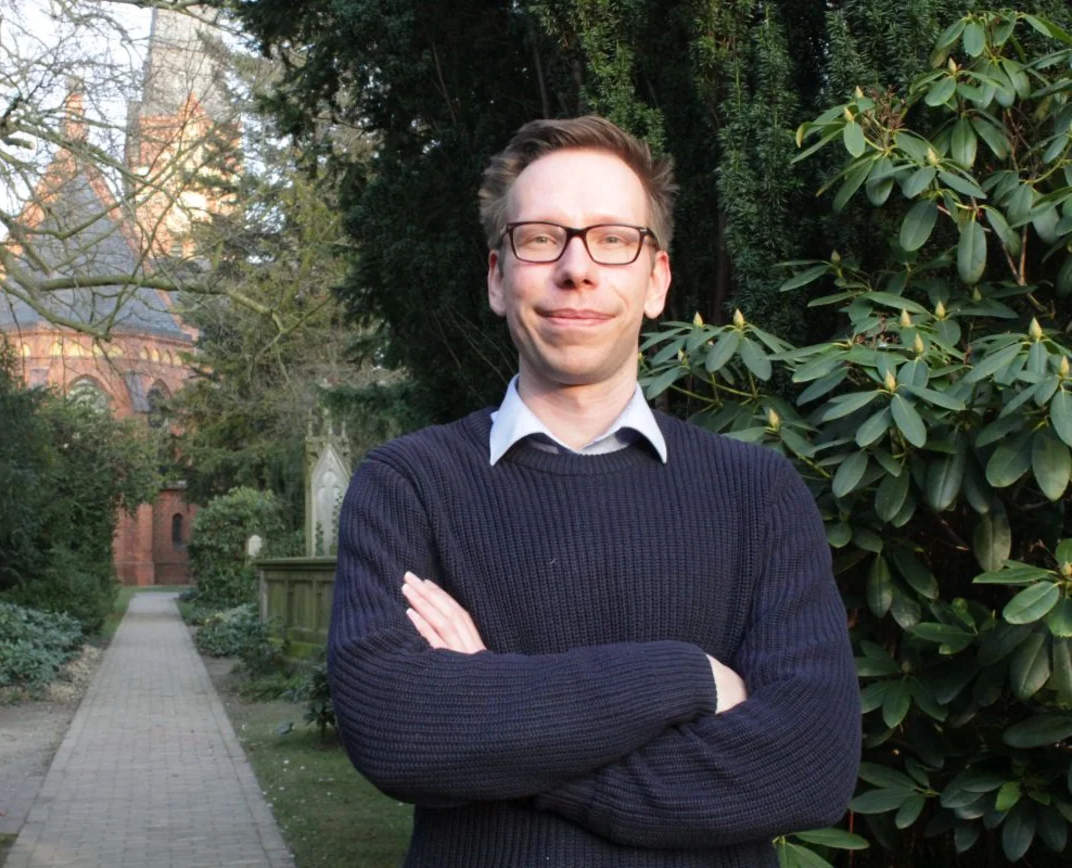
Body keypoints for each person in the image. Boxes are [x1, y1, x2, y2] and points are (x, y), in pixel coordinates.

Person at [326, 115, 861, 868]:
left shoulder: (757, 495)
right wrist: (688, 678)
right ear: (496, 277)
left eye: (614, 239)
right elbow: (396, 729)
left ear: (657, 281)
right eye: (541, 237)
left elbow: (809, 768)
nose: (576, 268)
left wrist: (491, 714)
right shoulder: (409, 486)